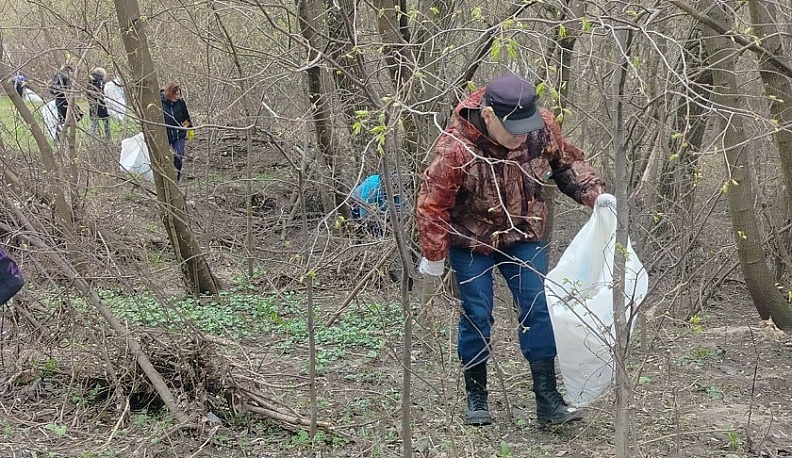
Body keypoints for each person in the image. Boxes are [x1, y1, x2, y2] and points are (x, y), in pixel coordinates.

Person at [416, 72, 607, 426]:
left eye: (526, 124)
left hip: (523, 233)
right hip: (472, 239)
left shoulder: (541, 128)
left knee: (538, 309)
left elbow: (566, 164)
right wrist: (434, 255)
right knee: (478, 313)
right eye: (513, 127)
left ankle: (548, 401)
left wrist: (595, 194)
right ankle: (477, 396)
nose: (521, 133)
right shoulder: (456, 147)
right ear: (488, 115)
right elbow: (432, 204)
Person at [160, 83, 193, 181]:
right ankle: (165, 177)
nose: (178, 97)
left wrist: (190, 128)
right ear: (169, 94)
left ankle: (176, 178)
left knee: (179, 154)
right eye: (176, 95)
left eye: (179, 94)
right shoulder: (160, 102)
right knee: (164, 156)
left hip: (179, 134)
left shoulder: (180, 102)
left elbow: (185, 117)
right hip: (166, 134)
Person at [49, 64, 80, 135]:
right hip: (63, 98)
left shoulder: (58, 73)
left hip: (58, 98)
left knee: (62, 118)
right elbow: (70, 85)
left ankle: (60, 132)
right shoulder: (66, 74)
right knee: (77, 114)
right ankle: (61, 131)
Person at [86, 67, 111, 140]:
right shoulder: (101, 83)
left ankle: (90, 140)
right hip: (102, 106)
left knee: (93, 124)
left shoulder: (90, 82)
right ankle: (108, 140)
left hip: (93, 105)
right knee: (106, 124)